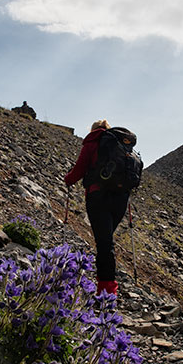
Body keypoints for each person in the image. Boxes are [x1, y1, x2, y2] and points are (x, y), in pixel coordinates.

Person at [64, 119, 130, 296]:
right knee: (106, 241)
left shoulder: (93, 141)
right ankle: (106, 286)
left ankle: (107, 292)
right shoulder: (121, 146)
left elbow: (80, 168)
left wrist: (68, 179)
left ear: (94, 129)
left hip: (98, 197)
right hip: (120, 200)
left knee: (104, 243)